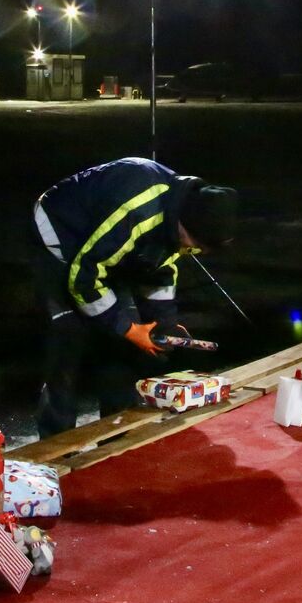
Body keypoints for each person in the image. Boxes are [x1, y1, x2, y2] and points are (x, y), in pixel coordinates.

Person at [30, 156, 238, 437]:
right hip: (61, 235)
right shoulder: (138, 212)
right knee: (68, 343)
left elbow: (161, 271)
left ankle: (115, 439)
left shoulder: (180, 216)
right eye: (197, 245)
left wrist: (164, 324)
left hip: (104, 251)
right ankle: (55, 447)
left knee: (120, 350)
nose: (196, 252)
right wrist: (128, 328)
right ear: (184, 226)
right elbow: (85, 279)